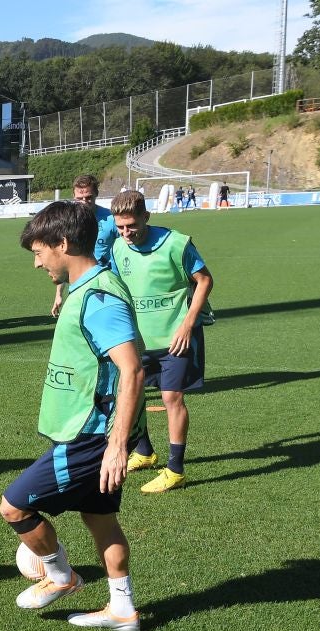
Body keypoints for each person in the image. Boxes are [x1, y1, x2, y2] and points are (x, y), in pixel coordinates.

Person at [0, 202, 146, 631]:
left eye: (39, 252)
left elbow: (132, 369)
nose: (37, 263)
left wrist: (116, 445)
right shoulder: (87, 289)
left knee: (14, 506)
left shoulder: (98, 298)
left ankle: (61, 575)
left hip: (92, 436)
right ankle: (123, 610)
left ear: (62, 243)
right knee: (98, 518)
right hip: (92, 429)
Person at [109, 190, 215, 494]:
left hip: (176, 336)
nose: (126, 233)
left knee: (171, 397)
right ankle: (144, 452)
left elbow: (205, 280)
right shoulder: (118, 247)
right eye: (120, 227)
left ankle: (175, 469)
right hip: (138, 338)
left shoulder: (176, 243)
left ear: (146, 216)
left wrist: (188, 324)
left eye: (132, 225)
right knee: (132, 392)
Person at [51, 174, 119, 316]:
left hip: (107, 284)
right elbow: (64, 258)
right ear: (74, 196)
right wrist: (58, 294)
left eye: (89, 197)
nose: (84, 202)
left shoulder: (111, 219)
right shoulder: (69, 223)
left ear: (96, 194)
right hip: (78, 284)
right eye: (79, 198)